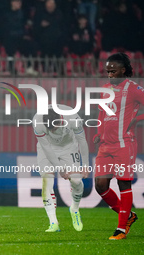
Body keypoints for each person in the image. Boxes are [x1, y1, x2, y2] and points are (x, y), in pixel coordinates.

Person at [93, 52, 144, 240]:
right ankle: (129, 216)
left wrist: (137, 119)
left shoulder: (134, 89)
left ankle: (121, 229)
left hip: (124, 144)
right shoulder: (105, 89)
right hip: (105, 146)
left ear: (123, 70)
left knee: (123, 182)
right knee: (100, 185)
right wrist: (98, 133)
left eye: (113, 71)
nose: (110, 74)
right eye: (108, 71)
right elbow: (101, 113)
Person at [32, 104, 89, 232]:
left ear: (61, 119)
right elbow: (46, 148)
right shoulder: (37, 122)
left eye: (54, 128)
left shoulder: (73, 118)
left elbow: (82, 140)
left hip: (68, 147)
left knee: (76, 181)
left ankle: (74, 209)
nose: (52, 131)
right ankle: (53, 223)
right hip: (46, 149)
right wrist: (60, 169)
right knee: (47, 182)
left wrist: (85, 165)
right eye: (49, 129)